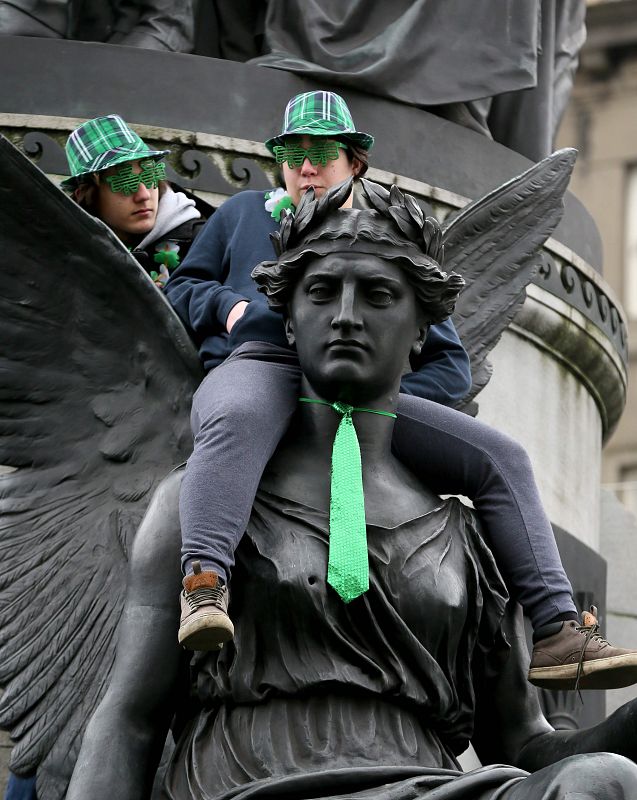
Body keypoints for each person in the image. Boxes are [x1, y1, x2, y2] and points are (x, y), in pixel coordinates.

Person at [66, 180, 637, 799]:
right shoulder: (201, 501)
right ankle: (206, 581)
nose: (345, 315)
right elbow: (128, 721)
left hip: (425, 785)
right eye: (320, 292)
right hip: (255, 787)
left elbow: (525, 744)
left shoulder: (468, 537)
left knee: (603, 780)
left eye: (378, 295)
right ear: (286, 320)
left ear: (422, 331)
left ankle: (564, 631)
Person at [165, 89, 637, 690]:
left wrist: (379, 390)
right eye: (294, 152)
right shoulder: (239, 216)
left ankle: (556, 630)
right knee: (231, 417)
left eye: (322, 153)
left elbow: (449, 366)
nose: (306, 166)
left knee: (504, 458)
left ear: (354, 162)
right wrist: (230, 309)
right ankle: (204, 581)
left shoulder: (385, 238)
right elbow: (181, 288)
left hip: (366, 401)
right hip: (263, 367)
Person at [61, 114, 208, 287]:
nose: (144, 195)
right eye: (126, 182)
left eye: (149, 176)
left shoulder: (203, 241)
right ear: (85, 195)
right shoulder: (72, 264)